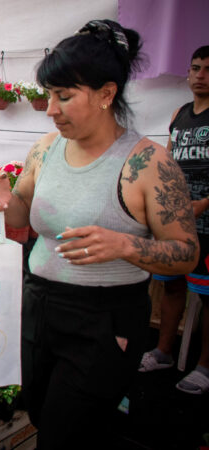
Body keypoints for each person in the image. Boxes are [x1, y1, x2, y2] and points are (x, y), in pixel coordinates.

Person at [0, 20, 199, 448]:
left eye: (64, 97)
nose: (51, 109)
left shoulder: (148, 163)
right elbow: (24, 212)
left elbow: (187, 252)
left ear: (106, 94)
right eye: (49, 95)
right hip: (41, 307)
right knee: (45, 413)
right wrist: (4, 201)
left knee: (66, 433)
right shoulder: (45, 148)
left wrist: (126, 245)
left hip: (104, 321)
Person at [138, 45, 209, 394]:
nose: (200, 76)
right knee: (172, 284)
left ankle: (205, 367)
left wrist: (203, 204)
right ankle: (163, 351)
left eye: (208, 69)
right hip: (176, 221)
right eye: (195, 68)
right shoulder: (179, 114)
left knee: (208, 295)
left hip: (206, 223)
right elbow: (166, 165)